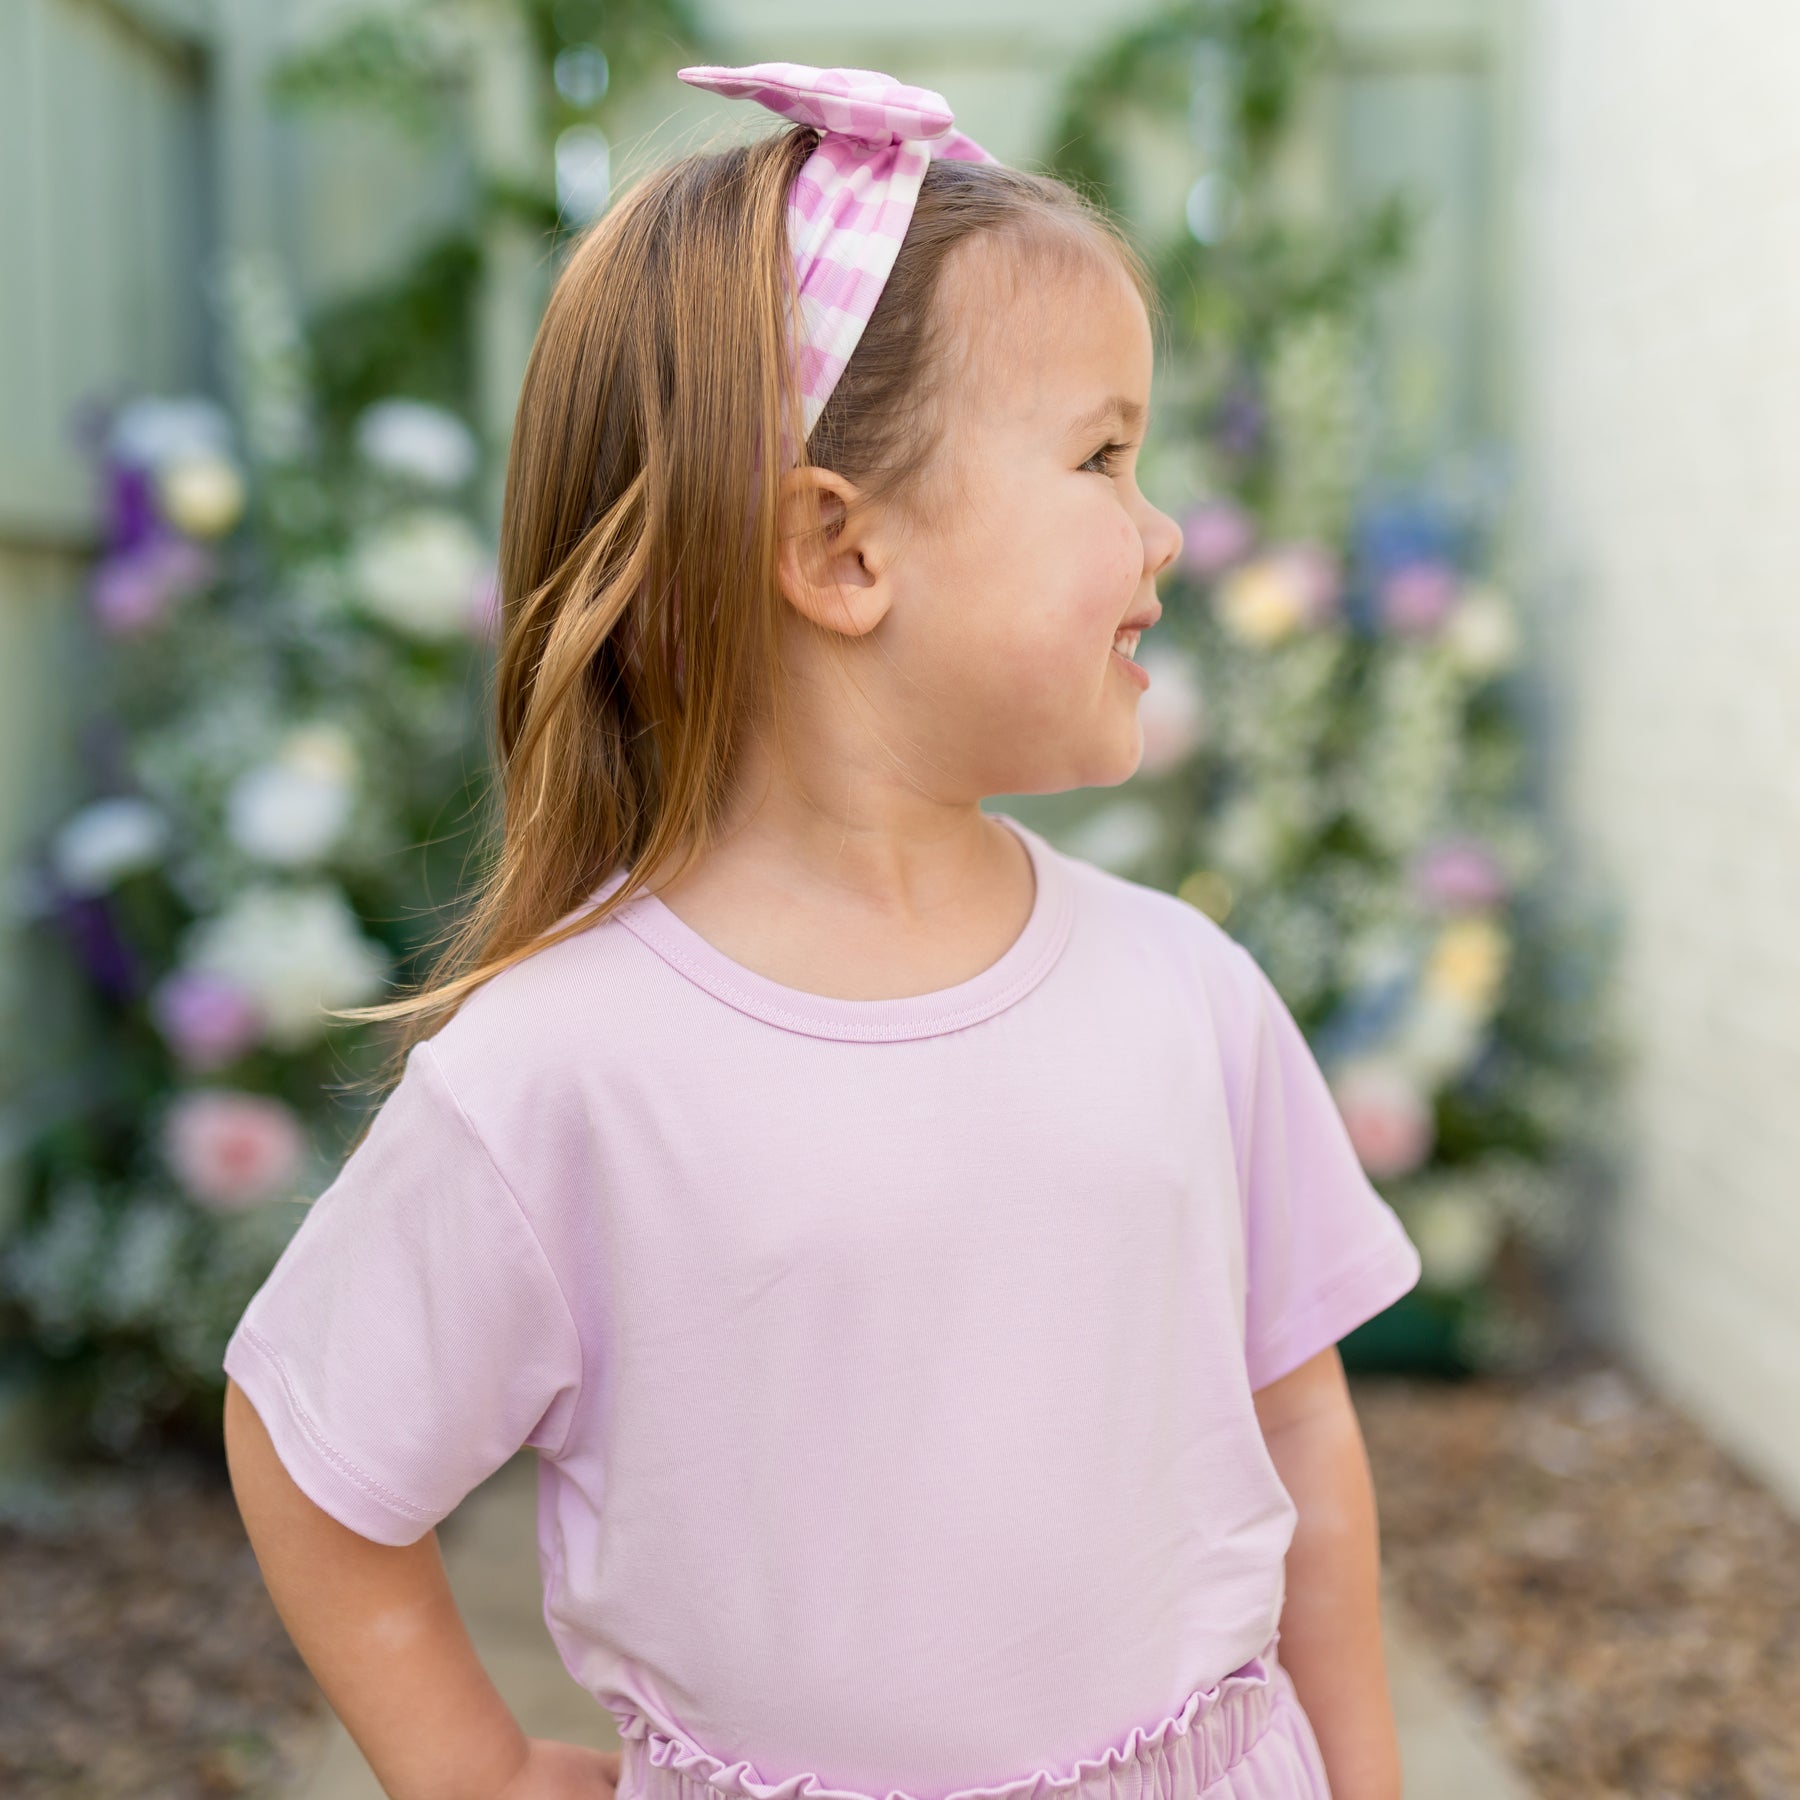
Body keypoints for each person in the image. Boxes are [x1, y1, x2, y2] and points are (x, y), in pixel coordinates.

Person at [221, 60, 1423, 1800]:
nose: (1163, 530)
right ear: (839, 553)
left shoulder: (1186, 993)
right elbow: (313, 1438)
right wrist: (471, 1768)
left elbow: (1301, 1429)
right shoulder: (568, 1067)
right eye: (1101, 454)